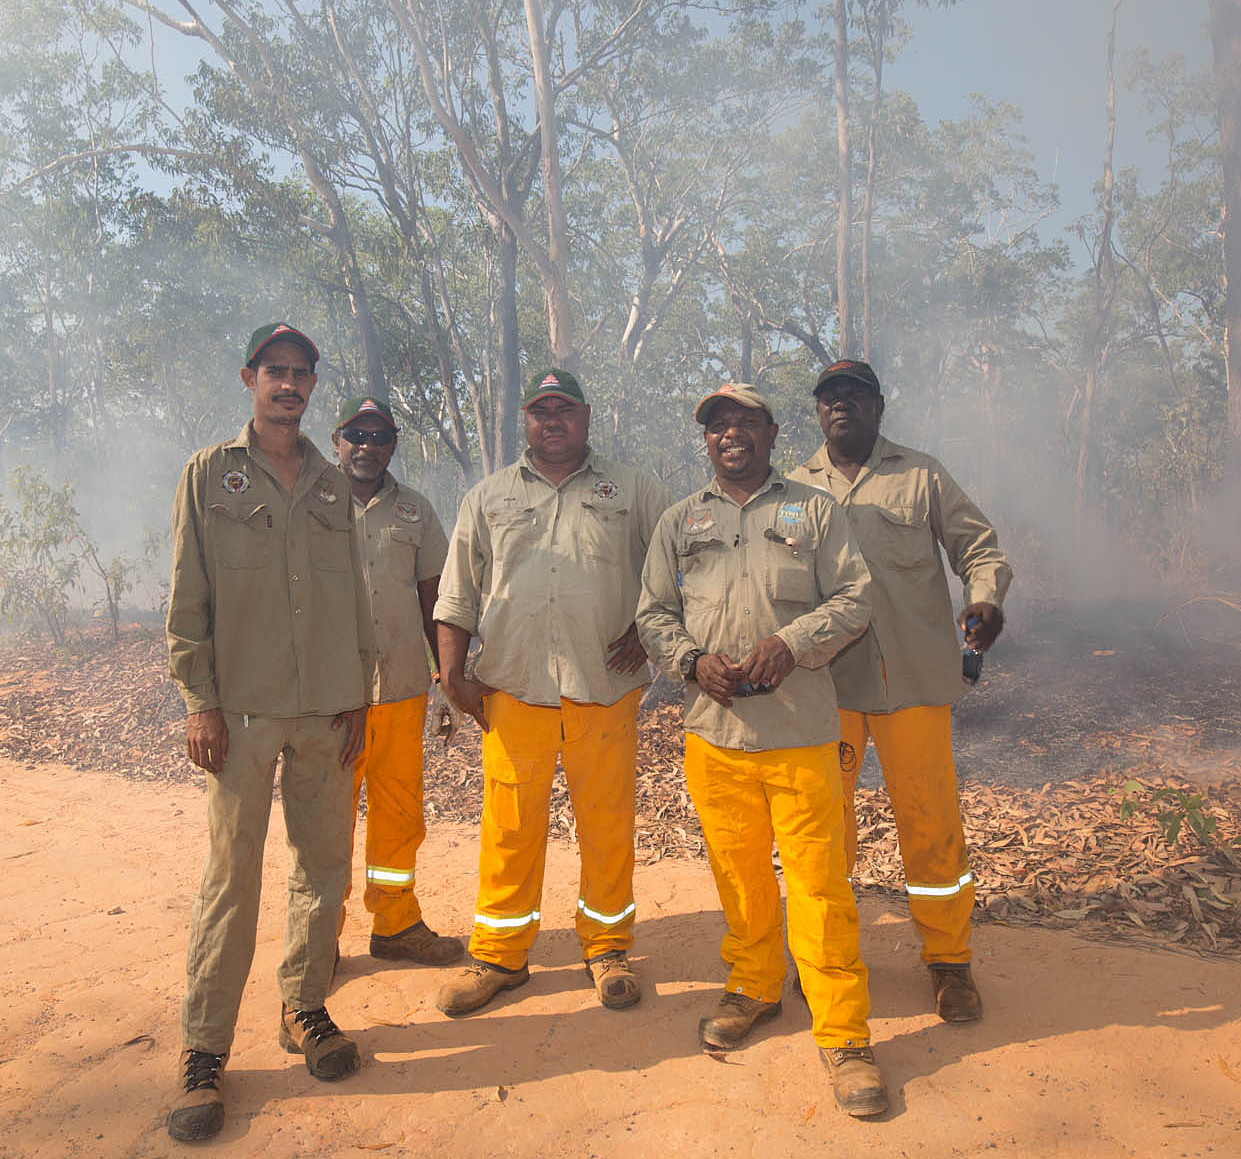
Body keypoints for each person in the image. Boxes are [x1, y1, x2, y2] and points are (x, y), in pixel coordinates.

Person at [636, 382, 887, 1118]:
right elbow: (652, 612)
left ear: (772, 434)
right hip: (714, 737)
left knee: (819, 885)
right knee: (738, 875)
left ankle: (844, 1035)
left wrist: (792, 643)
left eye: (745, 421)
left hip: (802, 734)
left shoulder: (814, 511)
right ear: (706, 440)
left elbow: (855, 600)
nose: (730, 434)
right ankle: (754, 988)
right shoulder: (682, 520)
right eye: (718, 425)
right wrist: (688, 661)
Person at [162, 322, 376, 1145]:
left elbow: (354, 599)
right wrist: (198, 699)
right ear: (249, 377)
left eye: (302, 374)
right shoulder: (209, 476)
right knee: (231, 878)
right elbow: (189, 596)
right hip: (242, 712)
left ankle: (303, 1008)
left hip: (325, 707)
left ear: (313, 387)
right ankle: (205, 1051)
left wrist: (358, 689)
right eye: (275, 372)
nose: (289, 385)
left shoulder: (330, 486)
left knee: (323, 866)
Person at [431, 367, 671, 1017]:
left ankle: (608, 949)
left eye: (565, 409)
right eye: (541, 411)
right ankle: (500, 958)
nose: (553, 421)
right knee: (509, 828)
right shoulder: (488, 497)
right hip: (512, 687)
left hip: (605, 687)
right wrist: (452, 674)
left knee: (607, 824)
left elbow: (680, 562)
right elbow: (457, 592)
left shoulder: (632, 490)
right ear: (526, 422)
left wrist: (652, 633)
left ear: (586, 417)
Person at [791, 358, 1012, 1025]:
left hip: (913, 679)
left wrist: (985, 601)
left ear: (878, 407)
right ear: (818, 411)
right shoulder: (794, 488)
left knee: (931, 823)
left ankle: (949, 963)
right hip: (825, 686)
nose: (841, 406)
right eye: (830, 397)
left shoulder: (921, 475)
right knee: (823, 828)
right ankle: (823, 956)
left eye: (855, 395)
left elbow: (980, 549)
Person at [330, 392, 466, 966]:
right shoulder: (311, 503)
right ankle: (319, 941)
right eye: (356, 436)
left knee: (400, 813)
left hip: (403, 690)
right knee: (327, 819)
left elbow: (433, 596)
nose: (367, 447)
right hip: (330, 698)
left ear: (392, 446)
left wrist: (445, 675)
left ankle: (395, 923)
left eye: (379, 437)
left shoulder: (415, 510)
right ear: (337, 440)